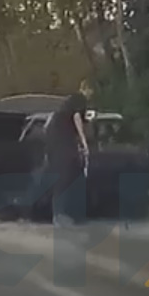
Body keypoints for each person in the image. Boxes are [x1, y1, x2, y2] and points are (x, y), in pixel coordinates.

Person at [45, 81, 93, 225]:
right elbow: (76, 118)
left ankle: (63, 214)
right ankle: (59, 215)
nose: (91, 95)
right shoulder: (79, 99)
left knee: (66, 176)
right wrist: (84, 142)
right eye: (91, 91)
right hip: (61, 141)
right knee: (63, 176)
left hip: (56, 140)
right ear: (86, 89)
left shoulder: (68, 102)